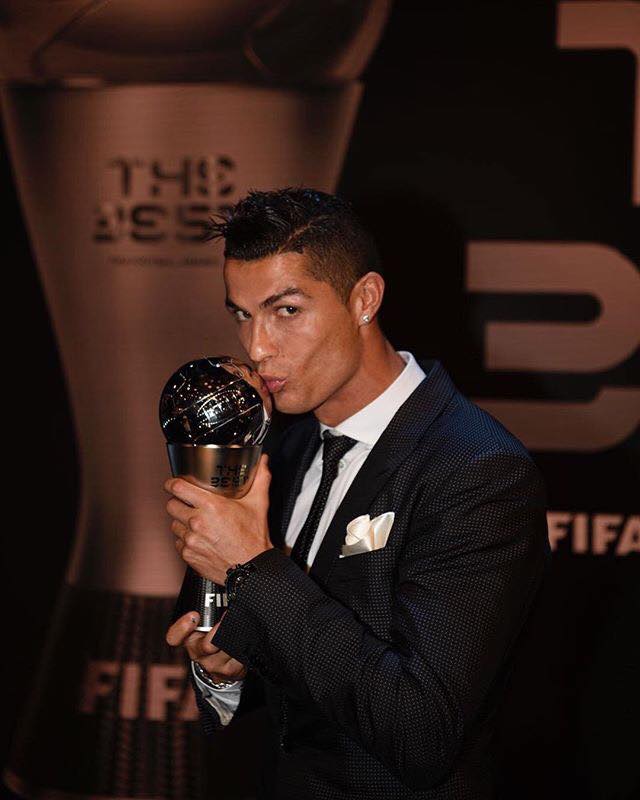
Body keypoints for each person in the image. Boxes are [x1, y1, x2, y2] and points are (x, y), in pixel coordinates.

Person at [163, 187, 550, 799]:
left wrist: (253, 565)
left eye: (286, 310)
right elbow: (287, 690)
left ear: (364, 299)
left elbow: (419, 729)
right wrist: (228, 672)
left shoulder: (477, 470)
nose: (257, 347)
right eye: (242, 314)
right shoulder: (278, 449)